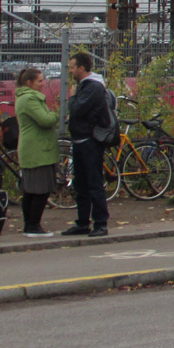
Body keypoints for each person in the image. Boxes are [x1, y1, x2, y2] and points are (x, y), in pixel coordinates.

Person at [63, 51, 109, 238]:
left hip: (89, 142)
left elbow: (77, 109)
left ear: (81, 68)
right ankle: (82, 222)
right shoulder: (85, 86)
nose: (71, 71)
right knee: (81, 183)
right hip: (81, 140)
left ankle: (100, 223)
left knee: (93, 182)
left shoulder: (92, 88)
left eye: (73, 67)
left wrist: (72, 97)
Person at [14, 67, 60, 237]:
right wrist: (57, 115)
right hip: (37, 149)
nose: (43, 84)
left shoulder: (25, 98)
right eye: (40, 81)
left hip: (34, 148)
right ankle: (33, 225)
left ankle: (30, 225)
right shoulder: (29, 99)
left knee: (32, 190)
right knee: (40, 189)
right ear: (29, 83)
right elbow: (45, 119)